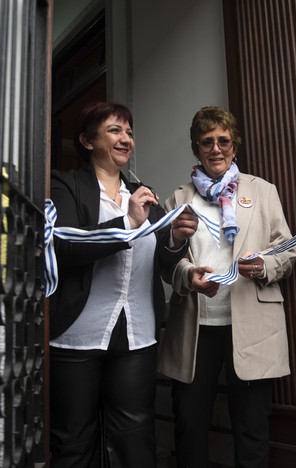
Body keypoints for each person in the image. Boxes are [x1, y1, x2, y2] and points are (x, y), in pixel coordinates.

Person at [48, 101, 198, 467]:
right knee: (74, 440)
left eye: (129, 132)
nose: (125, 138)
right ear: (86, 140)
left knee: (134, 434)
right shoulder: (65, 184)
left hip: (137, 335)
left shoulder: (144, 193)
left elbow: (162, 257)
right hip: (77, 334)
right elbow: (65, 245)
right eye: (115, 130)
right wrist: (127, 222)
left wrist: (176, 239)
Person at [158, 106, 296, 467]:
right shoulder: (178, 199)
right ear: (196, 148)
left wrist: (263, 265)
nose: (216, 148)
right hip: (196, 326)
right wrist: (188, 275)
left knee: (252, 427)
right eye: (207, 142)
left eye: (224, 141)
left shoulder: (262, 191)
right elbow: (165, 261)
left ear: (235, 146)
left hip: (250, 326)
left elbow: (288, 251)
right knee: (189, 423)